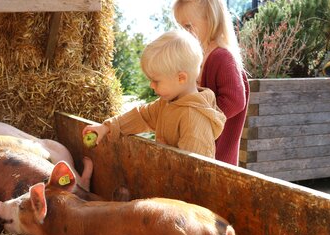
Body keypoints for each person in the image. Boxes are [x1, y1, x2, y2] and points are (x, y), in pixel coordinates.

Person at [82, 29, 226, 159]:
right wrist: (106, 127)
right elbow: (141, 116)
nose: (151, 85)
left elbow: (193, 168)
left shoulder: (193, 118)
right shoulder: (168, 103)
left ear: (181, 78)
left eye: (156, 81)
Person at [173, 0, 250, 166]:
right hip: (199, 151)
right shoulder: (198, 56)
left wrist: (199, 120)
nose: (184, 33)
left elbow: (235, 101)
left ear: (211, 18)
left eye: (189, 26)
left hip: (217, 157)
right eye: (181, 27)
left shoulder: (221, 57)